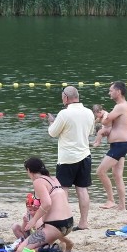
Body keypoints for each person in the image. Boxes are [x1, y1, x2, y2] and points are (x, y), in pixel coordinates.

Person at [47, 85, 94, 231]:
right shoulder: (89, 112)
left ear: (66, 98)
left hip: (67, 157)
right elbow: (90, 132)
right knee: (82, 189)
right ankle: (83, 222)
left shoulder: (64, 113)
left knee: (63, 190)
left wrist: (51, 122)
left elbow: (53, 133)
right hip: (85, 154)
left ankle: (64, 220)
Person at [15, 157, 75, 252]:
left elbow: (47, 203)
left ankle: (56, 248)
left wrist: (33, 221)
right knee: (38, 222)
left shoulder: (38, 181)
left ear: (29, 170)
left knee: (20, 251)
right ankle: (62, 244)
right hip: (69, 223)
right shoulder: (54, 179)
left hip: (55, 225)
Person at [96, 81, 127, 211]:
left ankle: (110, 200)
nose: (109, 93)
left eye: (111, 90)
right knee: (117, 175)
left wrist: (103, 115)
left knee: (100, 171)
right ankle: (122, 205)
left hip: (119, 145)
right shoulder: (122, 106)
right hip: (119, 144)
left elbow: (106, 120)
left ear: (118, 92)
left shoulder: (120, 106)